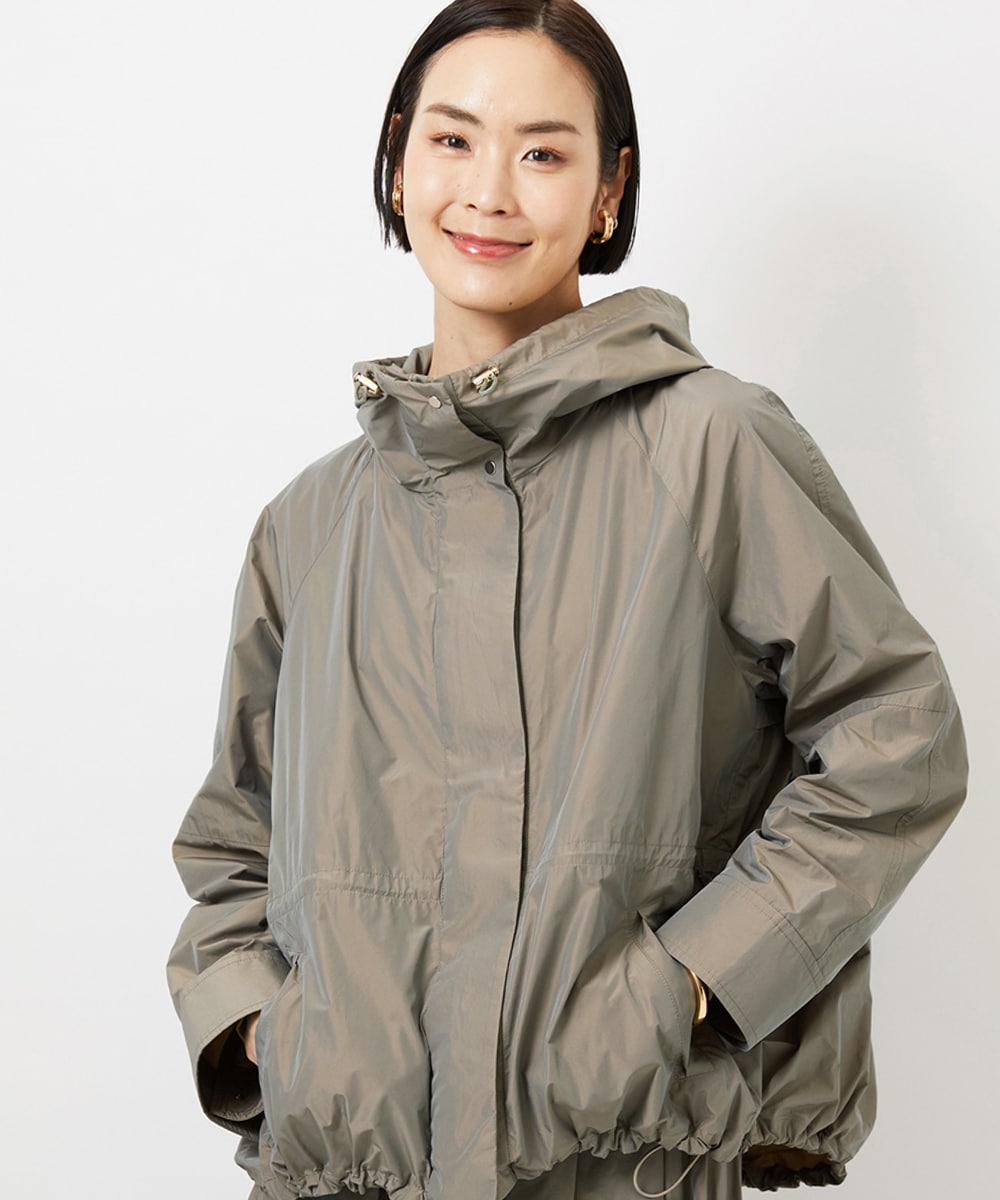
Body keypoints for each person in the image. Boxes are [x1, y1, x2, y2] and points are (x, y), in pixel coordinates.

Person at [166, 2, 967, 1198]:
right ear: (397, 165)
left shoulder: (709, 446)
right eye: (452, 140)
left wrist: (689, 987)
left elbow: (897, 738)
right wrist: (263, 1032)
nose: (488, 191)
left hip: (617, 1167)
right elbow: (236, 834)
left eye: (542, 152)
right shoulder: (312, 520)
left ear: (607, 193)